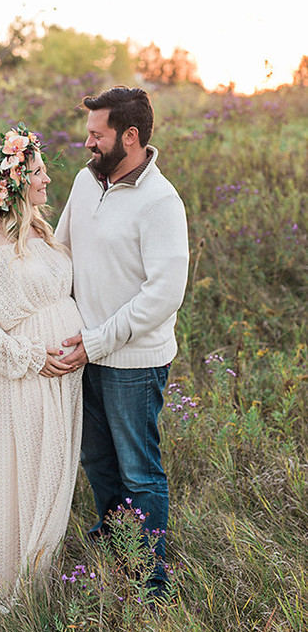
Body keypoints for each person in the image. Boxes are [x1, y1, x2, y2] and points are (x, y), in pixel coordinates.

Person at [54, 86, 189, 598]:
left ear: (129, 137)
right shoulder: (84, 184)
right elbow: (60, 251)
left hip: (132, 361)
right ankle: (114, 545)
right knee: (98, 463)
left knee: (138, 470)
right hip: (83, 350)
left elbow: (164, 295)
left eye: (97, 134)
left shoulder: (161, 203)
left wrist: (98, 341)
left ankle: (148, 580)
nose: (87, 143)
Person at [0, 123, 83, 615]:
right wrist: (30, 357)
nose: (48, 182)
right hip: (27, 378)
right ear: (14, 181)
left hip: (64, 377)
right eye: (40, 175)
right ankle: (18, 584)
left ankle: (41, 575)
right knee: (28, 475)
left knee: (55, 474)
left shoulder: (40, 230)